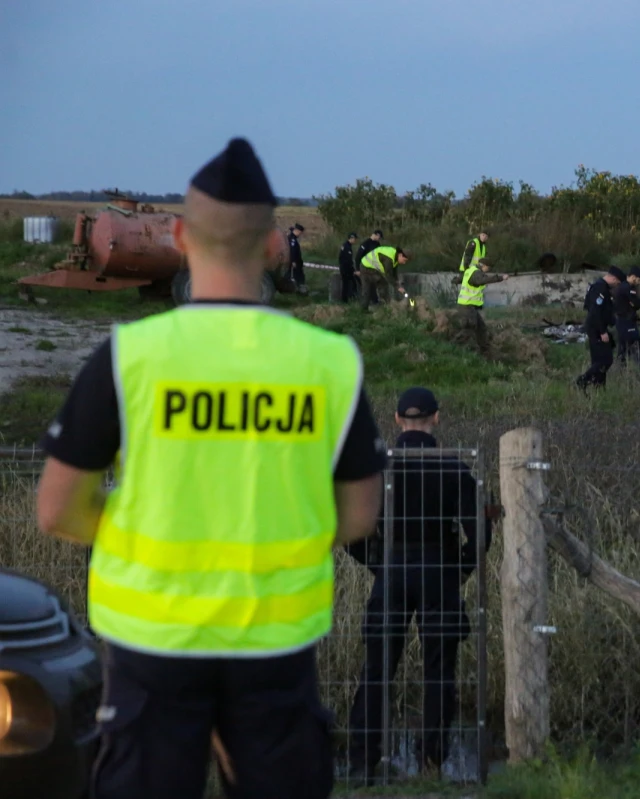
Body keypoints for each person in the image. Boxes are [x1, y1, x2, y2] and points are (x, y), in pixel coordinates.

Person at [33, 137, 386, 799]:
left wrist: (144, 537)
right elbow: (359, 514)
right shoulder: (329, 362)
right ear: (275, 246)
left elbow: (58, 508)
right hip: (275, 645)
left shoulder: (131, 355)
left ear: (177, 236)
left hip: (152, 641)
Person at [345, 387, 494, 784]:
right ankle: (432, 764)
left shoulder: (379, 469)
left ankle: (362, 763)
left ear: (396, 420)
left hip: (391, 570)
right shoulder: (453, 468)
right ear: (436, 418)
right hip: (437, 570)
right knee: (439, 672)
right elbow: (480, 531)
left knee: (377, 669)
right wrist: (458, 570)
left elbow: (350, 529)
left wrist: (377, 564)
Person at [575, 266, 623, 390]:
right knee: (606, 360)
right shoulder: (600, 288)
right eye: (617, 282)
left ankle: (599, 387)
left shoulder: (601, 287)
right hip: (596, 328)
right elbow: (595, 311)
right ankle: (582, 380)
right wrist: (602, 331)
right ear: (613, 278)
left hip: (597, 327)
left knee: (598, 360)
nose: (616, 285)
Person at [455, 258, 508, 355]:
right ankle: (454, 348)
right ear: (484, 266)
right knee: (469, 329)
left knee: (481, 328)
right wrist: (500, 278)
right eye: (488, 268)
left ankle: (485, 351)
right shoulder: (476, 273)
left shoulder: (470, 270)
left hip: (468, 306)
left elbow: (460, 279)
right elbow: (482, 280)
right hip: (467, 306)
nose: (488, 270)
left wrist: (455, 280)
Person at [614, 265, 640, 366]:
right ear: (633, 276)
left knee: (623, 348)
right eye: (638, 279)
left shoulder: (622, 286)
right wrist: (637, 303)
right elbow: (637, 303)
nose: (639, 282)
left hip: (622, 321)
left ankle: (621, 370)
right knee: (636, 346)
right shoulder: (628, 288)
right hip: (627, 321)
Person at [359, 245, 409, 310]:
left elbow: (393, 272)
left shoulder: (395, 257)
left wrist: (397, 281)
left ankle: (385, 302)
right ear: (400, 255)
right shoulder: (388, 259)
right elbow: (388, 275)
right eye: (404, 260)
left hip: (372, 267)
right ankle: (364, 310)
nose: (404, 263)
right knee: (368, 288)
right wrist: (398, 287)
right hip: (366, 266)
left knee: (381, 283)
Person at [338, 232, 359, 303]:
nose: (355, 241)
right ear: (352, 238)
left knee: (351, 283)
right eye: (355, 239)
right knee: (346, 285)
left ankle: (350, 298)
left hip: (346, 268)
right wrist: (352, 270)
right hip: (346, 269)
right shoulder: (347, 247)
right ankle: (345, 300)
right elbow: (347, 260)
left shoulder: (347, 246)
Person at [288, 223, 307, 294]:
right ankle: (299, 290)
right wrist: (293, 261)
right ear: (297, 231)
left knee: (298, 276)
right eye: (300, 233)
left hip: (297, 262)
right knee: (297, 276)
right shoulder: (292, 239)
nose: (300, 234)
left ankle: (299, 290)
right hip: (294, 262)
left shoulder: (293, 238)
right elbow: (292, 251)